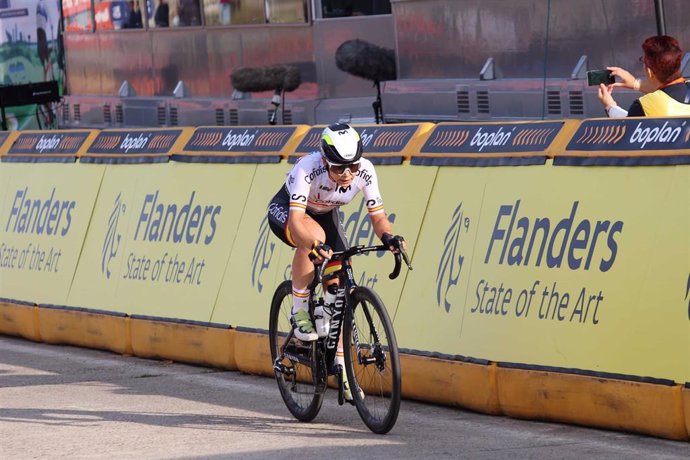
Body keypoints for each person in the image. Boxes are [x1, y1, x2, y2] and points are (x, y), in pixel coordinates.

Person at [266, 123, 406, 400]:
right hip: (288, 211)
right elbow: (296, 222)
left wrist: (389, 236)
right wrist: (313, 245)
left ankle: (340, 366)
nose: (346, 174)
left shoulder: (365, 170)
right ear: (324, 160)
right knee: (314, 238)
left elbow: (377, 216)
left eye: (352, 167)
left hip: (325, 214)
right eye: (338, 168)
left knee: (339, 284)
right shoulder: (308, 167)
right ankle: (300, 310)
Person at [598, 35, 690, 117]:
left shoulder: (643, 106)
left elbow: (626, 126)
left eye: (643, 61)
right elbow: (672, 92)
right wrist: (635, 84)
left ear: (649, 71)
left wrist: (610, 106)